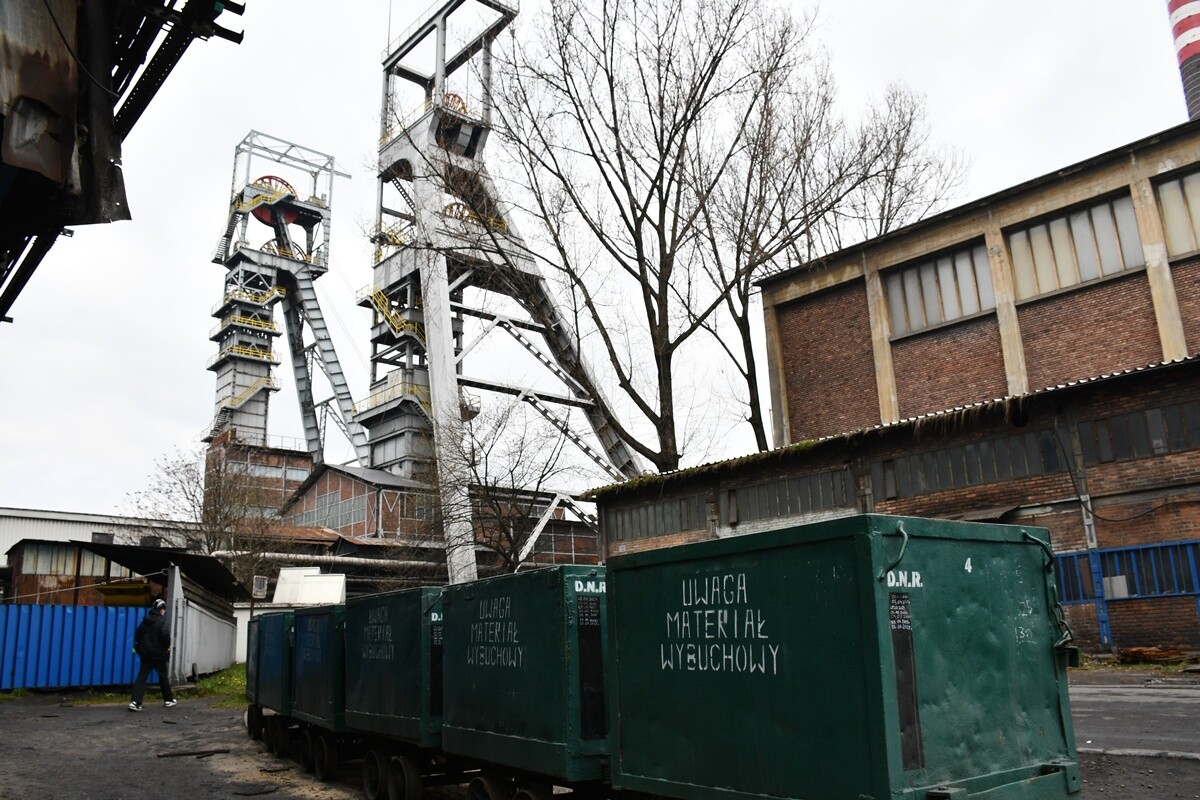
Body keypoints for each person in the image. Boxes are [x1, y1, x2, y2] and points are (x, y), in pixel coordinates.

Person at [129, 598, 176, 711]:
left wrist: (141, 647)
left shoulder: (145, 622)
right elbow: (165, 635)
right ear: (161, 610)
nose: (164, 612)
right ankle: (168, 700)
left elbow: (137, 635)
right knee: (163, 676)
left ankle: (135, 702)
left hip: (145, 654)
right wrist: (166, 647)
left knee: (142, 677)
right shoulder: (162, 621)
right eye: (164, 609)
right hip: (158, 654)